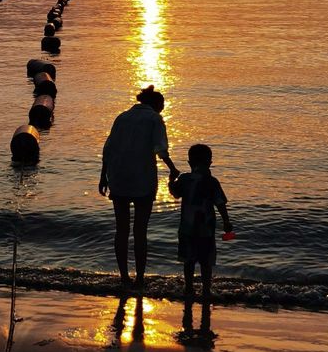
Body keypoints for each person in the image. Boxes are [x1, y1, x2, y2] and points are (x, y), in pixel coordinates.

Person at [99, 85, 179, 288]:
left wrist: (103, 176)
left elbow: (108, 148)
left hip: (118, 177)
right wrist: (172, 168)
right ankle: (140, 278)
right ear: (156, 104)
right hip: (143, 179)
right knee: (140, 231)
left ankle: (124, 277)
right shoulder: (154, 118)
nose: (162, 109)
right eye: (161, 105)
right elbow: (160, 148)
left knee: (122, 229)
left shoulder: (122, 117)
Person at [169, 143, 233, 299]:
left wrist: (171, 180)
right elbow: (220, 204)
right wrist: (226, 222)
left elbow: (175, 193)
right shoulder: (212, 182)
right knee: (206, 262)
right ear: (210, 162)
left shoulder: (184, 179)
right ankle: (206, 290)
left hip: (187, 229)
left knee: (188, 262)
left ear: (190, 163)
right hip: (206, 229)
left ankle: (189, 288)